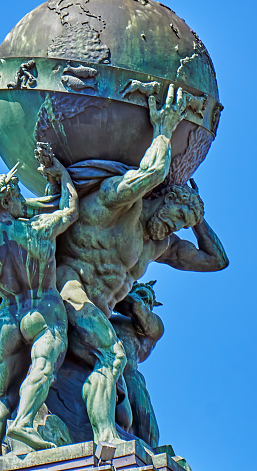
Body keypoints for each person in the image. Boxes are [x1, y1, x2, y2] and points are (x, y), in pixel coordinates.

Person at [56, 84, 229, 445]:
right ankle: (106, 440)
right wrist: (164, 129)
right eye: (174, 217)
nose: (172, 227)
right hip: (68, 289)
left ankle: (119, 436)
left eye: (180, 225)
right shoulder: (114, 201)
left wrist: (195, 215)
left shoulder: (155, 244)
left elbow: (216, 261)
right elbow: (149, 175)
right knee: (113, 354)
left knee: (129, 388)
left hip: (99, 311)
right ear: (160, 199)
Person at [0, 150, 78, 458]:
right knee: (43, 367)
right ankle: (23, 424)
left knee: (3, 397)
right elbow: (71, 211)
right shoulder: (36, 229)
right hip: (43, 311)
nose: (22, 200)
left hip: (8, 320)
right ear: (6, 201)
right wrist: (63, 176)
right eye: (18, 194)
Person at [112, 281, 164, 448]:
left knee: (144, 424)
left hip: (129, 375)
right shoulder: (108, 317)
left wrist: (109, 292)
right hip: (101, 368)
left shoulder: (154, 325)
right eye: (141, 294)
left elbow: (135, 306)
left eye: (149, 301)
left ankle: (150, 453)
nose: (145, 302)